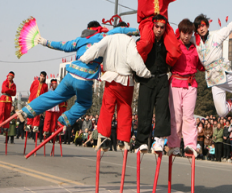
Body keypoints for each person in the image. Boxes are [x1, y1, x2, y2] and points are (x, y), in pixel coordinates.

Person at [17, 21, 137, 131]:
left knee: (54, 96)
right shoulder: (103, 37)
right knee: (84, 103)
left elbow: (62, 45)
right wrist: (140, 31)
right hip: (84, 80)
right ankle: (64, 120)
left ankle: (26, 111)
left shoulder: (79, 40)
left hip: (70, 76)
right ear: (98, 29)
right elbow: (121, 31)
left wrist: (44, 41)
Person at [79, 21, 151, 151]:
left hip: (111, 78)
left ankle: (104, 137)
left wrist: (84, 58)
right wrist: (145, 73)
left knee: (107, 107)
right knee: (125, 108)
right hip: (126, 80)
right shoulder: (129, 41)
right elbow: (134, 59)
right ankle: (123, 139)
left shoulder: (109, 38)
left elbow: (95, 49)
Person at [133, 15, 172, 153]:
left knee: (162, 111)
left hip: (162, 79)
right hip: (147, 79)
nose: (159, 30)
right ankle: (141, 142)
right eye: (157, 27)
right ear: (152, 26)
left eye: (162, 27)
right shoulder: (144, 41)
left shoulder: (168, 43)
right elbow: (135, 60)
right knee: (144, 111)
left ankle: (159, 141)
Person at [167, 19, 204, 157]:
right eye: (184, 33)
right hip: (176, 82)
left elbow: (201, 66)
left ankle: (190, 145)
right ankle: (174, 146)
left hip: (191, 84)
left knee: (189, 117)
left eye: (189, 33)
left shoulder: (196, 48)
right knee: (175, 116)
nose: (186, 36)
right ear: (180, 32)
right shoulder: (175, 45)